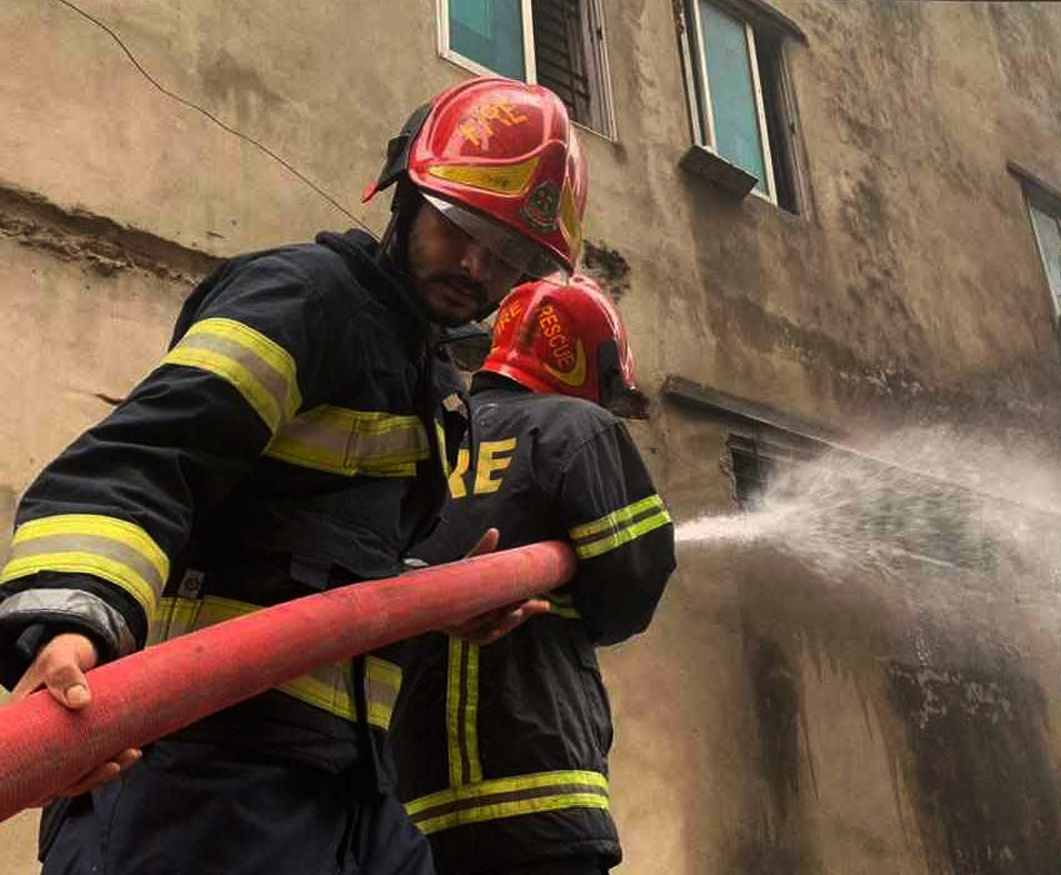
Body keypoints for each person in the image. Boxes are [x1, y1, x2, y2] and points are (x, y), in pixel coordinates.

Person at [0, 76, 588, 875]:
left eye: (513, 253)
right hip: (200, 782)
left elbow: (315, 548)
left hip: (351, 789)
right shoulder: (304, 302)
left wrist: (434, 603)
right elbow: (149, 458)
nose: (480, 266)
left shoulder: (434, 378)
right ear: (404, 196)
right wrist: (77, 626)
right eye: (459, 225)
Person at [394, 275, 677, 875]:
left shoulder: (433, 428)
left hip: (410, 806)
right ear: (589, 360)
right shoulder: (578, 429)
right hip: (543, 788)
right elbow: (629, 594)